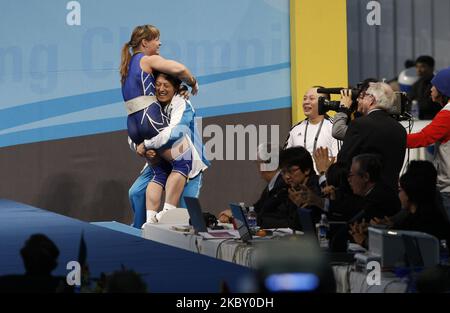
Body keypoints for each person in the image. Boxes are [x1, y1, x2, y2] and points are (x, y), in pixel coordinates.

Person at [120, 25, 200, 228]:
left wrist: (143, 145)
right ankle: (166, 214)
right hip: (150, 119)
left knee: (160, 171)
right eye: (156, 39)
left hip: (133, 123)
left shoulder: (127, 65)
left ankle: (149, 221)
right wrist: (192, 82)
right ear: (144, 43)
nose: (159, 44)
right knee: (184, 162)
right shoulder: (146, 59)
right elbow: (179, 69)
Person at [140, 72, 209, 227]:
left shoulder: (182, 103)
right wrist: (143, 148)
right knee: (138, 190)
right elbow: (134, 133)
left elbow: (177, 131)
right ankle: (150, 220)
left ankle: (166, 212)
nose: (161, 89)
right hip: (161, 156)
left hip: (187, 163)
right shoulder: (148, 103)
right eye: (158, 85)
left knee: (188, 216)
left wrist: (147, 145)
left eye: (166, 85)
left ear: (176, 88)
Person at [350, 161, 450, 247]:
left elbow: (395, 249)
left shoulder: (417, 225)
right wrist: (378, 227)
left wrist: (363, 241)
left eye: (401, 190)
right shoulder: (432, 215)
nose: (399, 194)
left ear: (410, 193)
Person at [337, 82, 406, 192]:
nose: (360, 100)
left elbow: (344, 161)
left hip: (363, 195)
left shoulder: (360, 125)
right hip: (390, 194)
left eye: (364, 96)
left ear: (371, 99)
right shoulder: (400, 129)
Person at [407, 66, 450, 219]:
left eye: (435, 86)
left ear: (444, 89)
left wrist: (394, 138)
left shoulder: (447, 114)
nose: (431, 89)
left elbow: (424, 138)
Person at [284, 87, 339, 172]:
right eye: (305, 98)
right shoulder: (295, 129)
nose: (306, 102)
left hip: (325, 181)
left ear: (325, 102)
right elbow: (286, 160)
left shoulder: (334, 127)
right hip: (300, 183)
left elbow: (338, 161)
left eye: (311, 98)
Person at [408, 55, 441, 120]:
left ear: (431, 68)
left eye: (422, 66)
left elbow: (434, 104)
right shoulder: (415, 85)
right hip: (418, 121)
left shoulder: (438, 84)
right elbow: (409, 103)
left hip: (434, 120)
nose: (419, 70)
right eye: (417, 67)